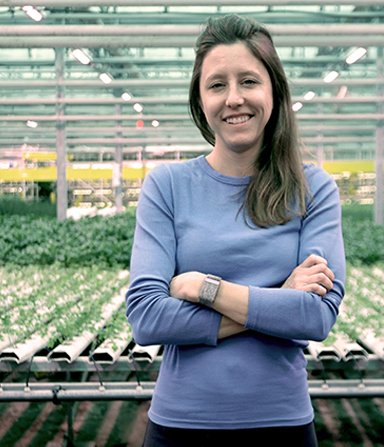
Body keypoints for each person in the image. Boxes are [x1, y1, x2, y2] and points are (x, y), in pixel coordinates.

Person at [126, 14, 346, 447]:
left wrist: (202, 288)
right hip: (180, 428)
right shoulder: (166, 186)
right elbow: (147, 318)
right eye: (216, 85)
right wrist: (278, 300)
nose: (234, 99)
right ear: (200, 99)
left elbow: (315, 316)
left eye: (248, 81)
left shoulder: (312, 187)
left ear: (273, 91)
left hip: (282, 427)